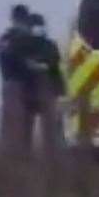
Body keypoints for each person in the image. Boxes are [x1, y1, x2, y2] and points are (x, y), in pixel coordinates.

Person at [20, 12, 64, 148]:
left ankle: (53, 153)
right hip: (30, 91)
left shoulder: (49, 45)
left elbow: (53, 62)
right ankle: (25, 155)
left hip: (49, 90)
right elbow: (21, 64)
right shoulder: (24, 45)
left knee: (52, 127)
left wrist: (38, 65)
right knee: (26, 127)